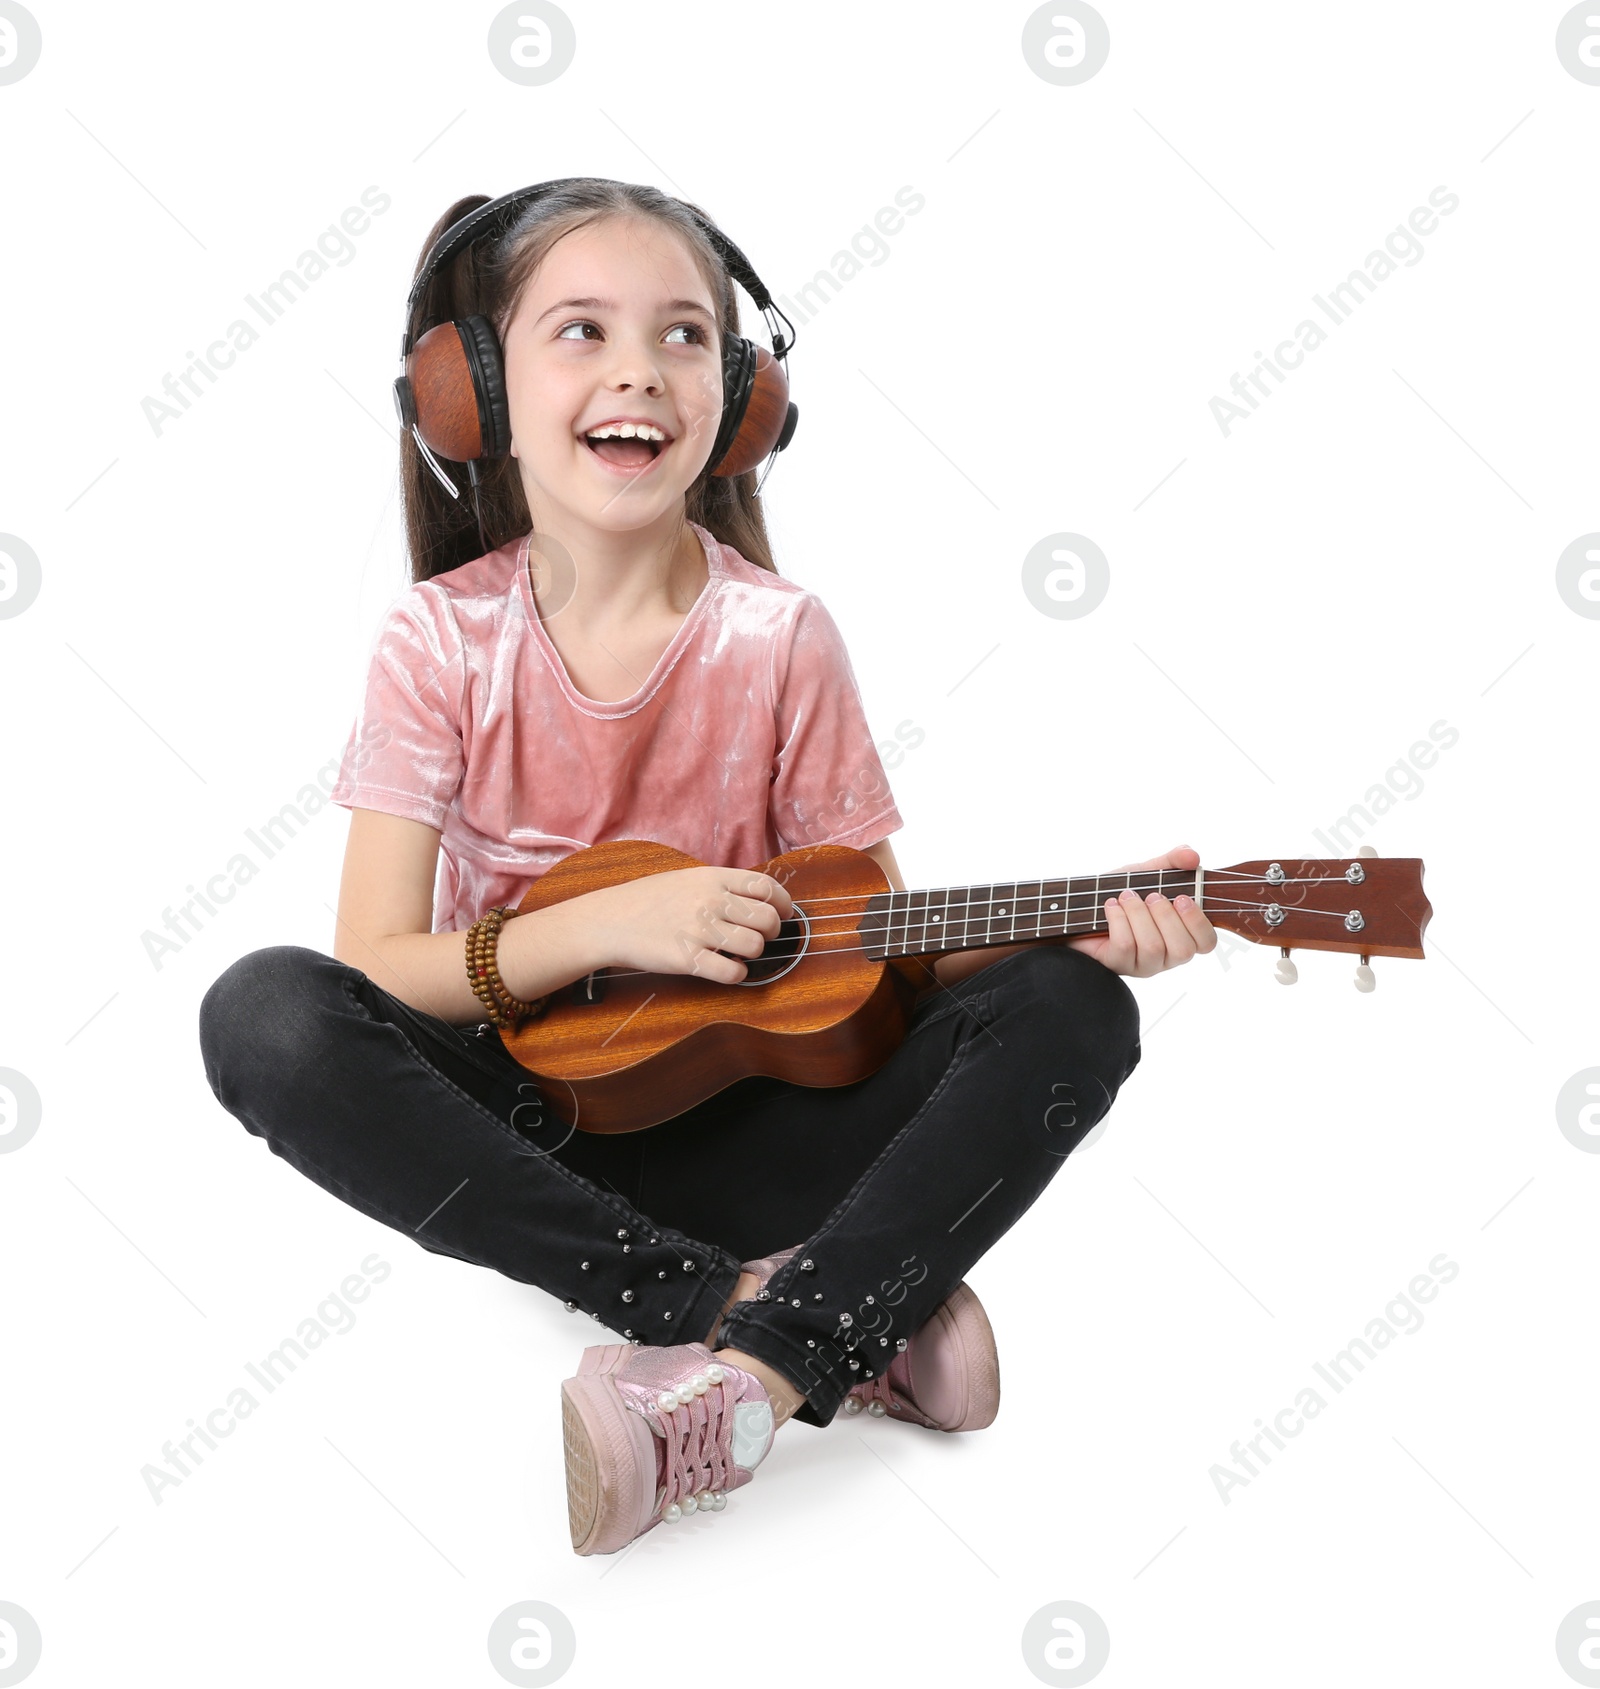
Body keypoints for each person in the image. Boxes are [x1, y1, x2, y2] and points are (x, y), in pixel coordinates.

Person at [197, 178, 1217, 1559]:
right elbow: (376, 965)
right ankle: (794, 1315)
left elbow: (877, 950)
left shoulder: (780, 637)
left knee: (1079, 1009)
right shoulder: (440, 643)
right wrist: (612, 920)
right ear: (474, 391)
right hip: (541, 1134)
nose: (640, 371)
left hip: (758, 1128)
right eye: (582, 332)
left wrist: (1084, 930)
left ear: (740, 397)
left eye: (685, 335)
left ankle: (751, 1375)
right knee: (261, 1009)